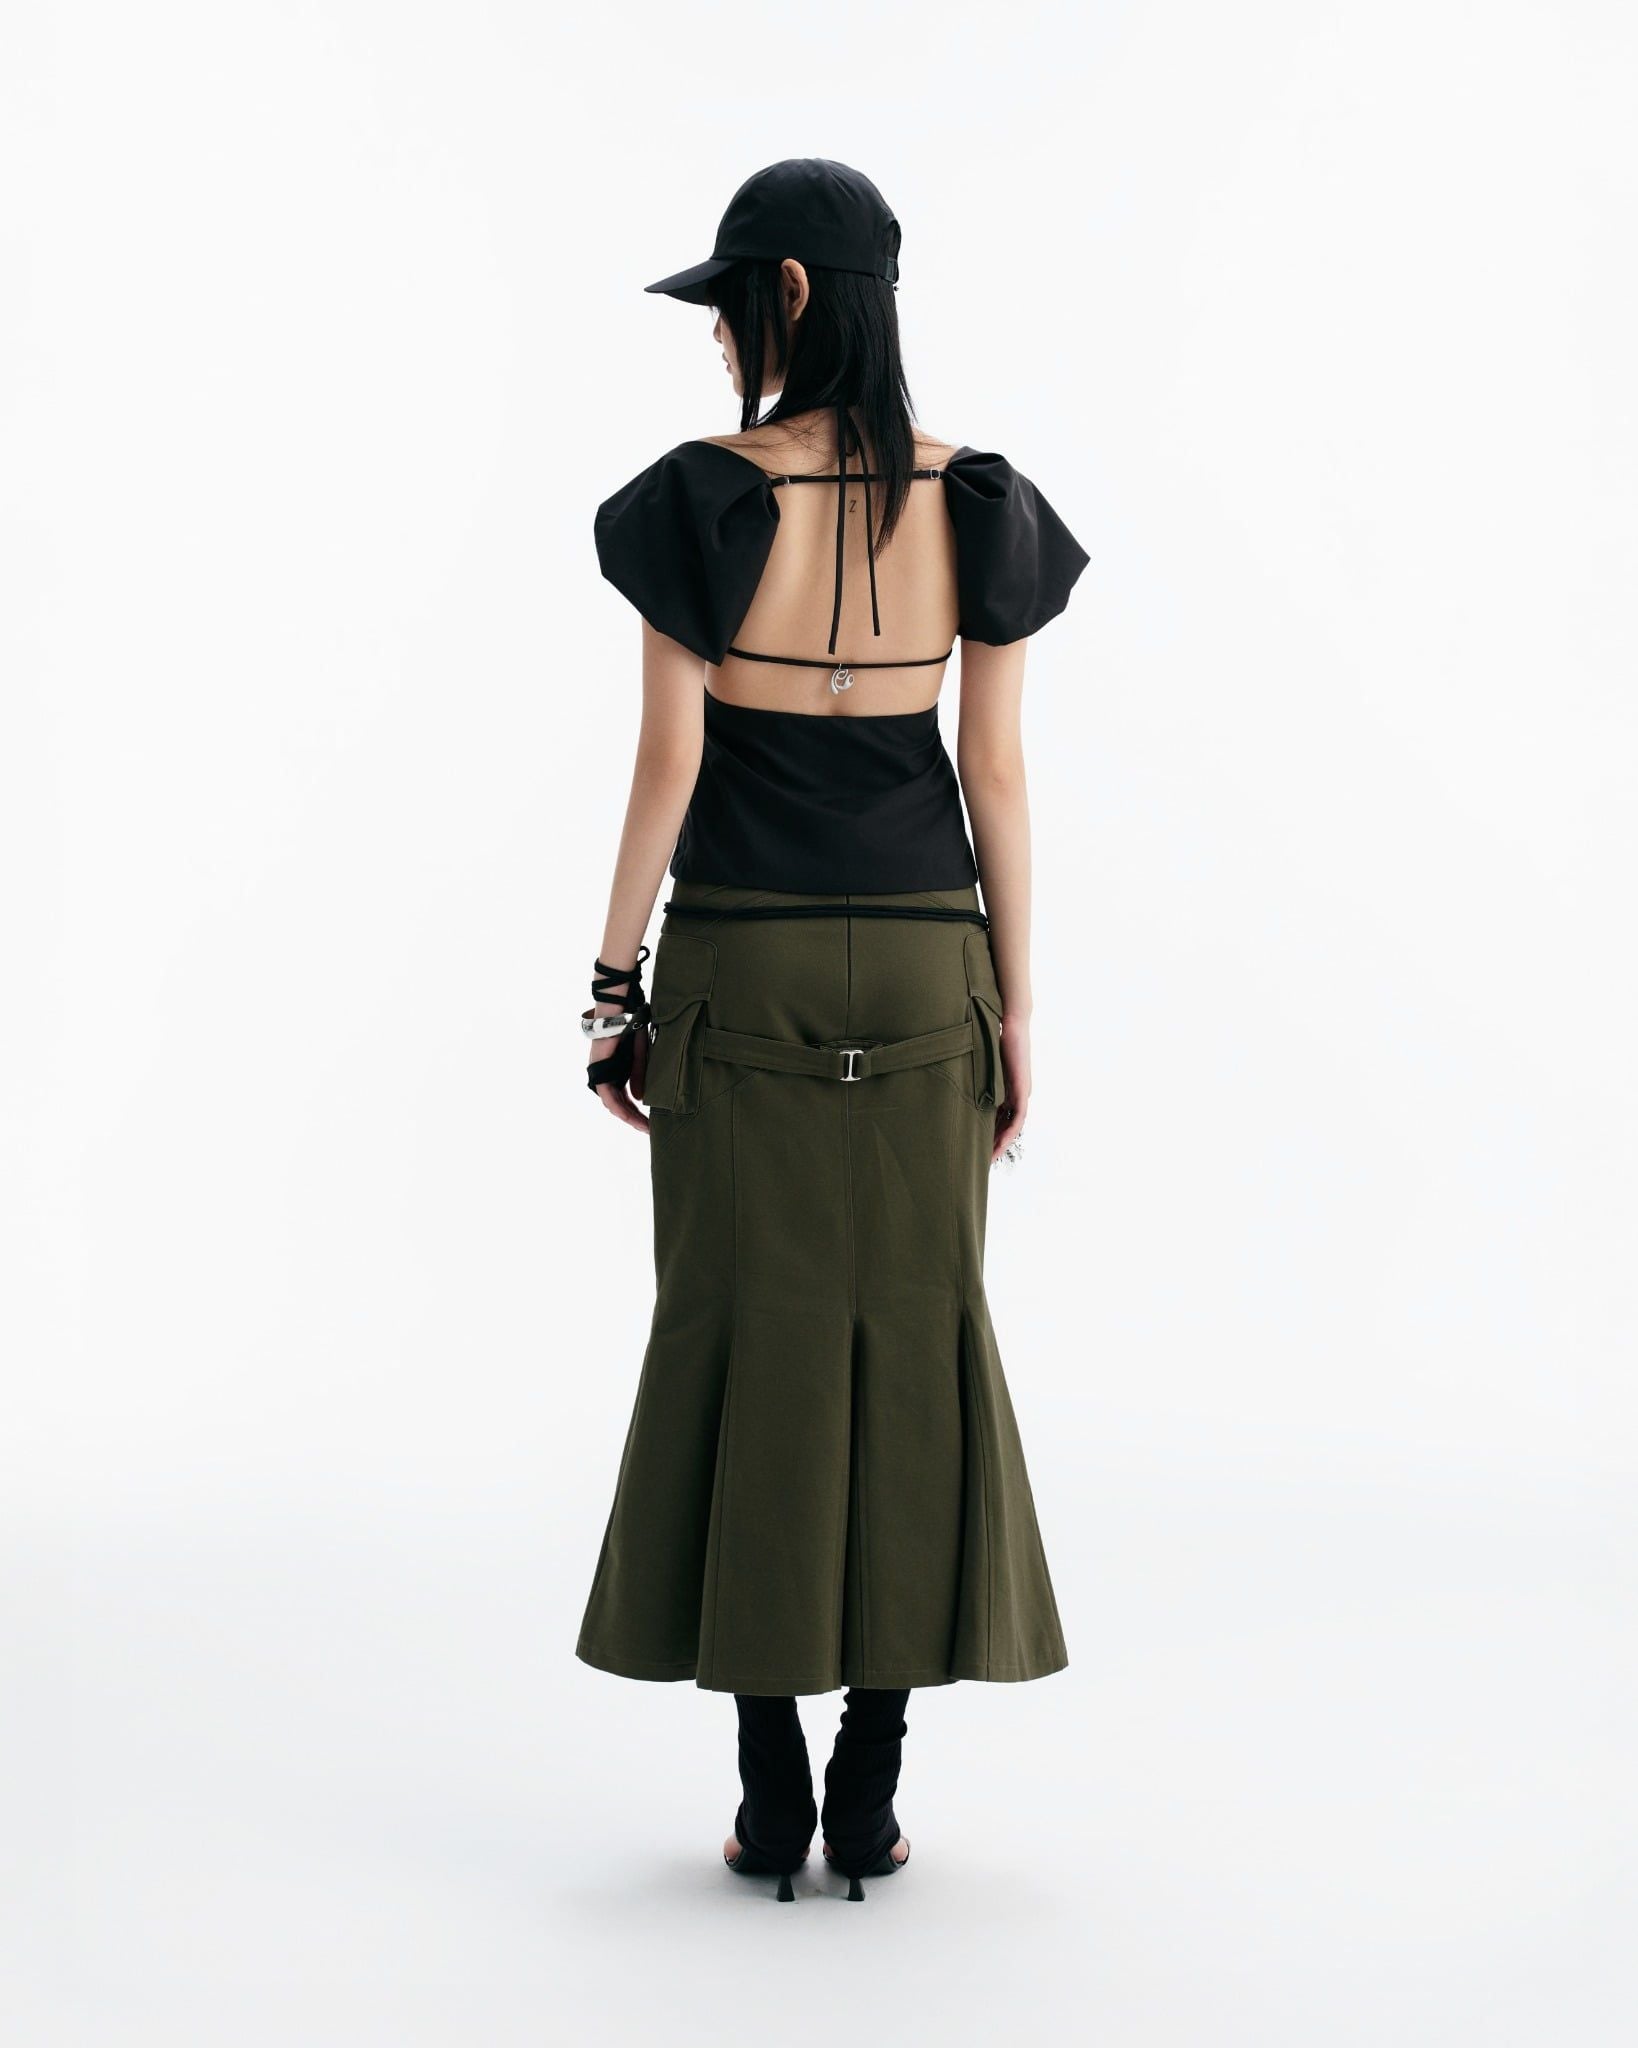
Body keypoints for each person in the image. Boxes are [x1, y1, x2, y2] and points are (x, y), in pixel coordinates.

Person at [574, 159, 1086, 1903]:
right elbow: (990, 771)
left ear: (786, 293)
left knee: (743, 1335)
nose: (717, 336)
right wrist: (1015, 1005)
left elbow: (669, 764)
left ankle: (769, 1784)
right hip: (931, 965)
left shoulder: (701, 502)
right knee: (917, 1337)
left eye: (728, 301)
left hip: (745, 959)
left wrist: (613, 990)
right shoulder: (979, 502)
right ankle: (870, 1787)